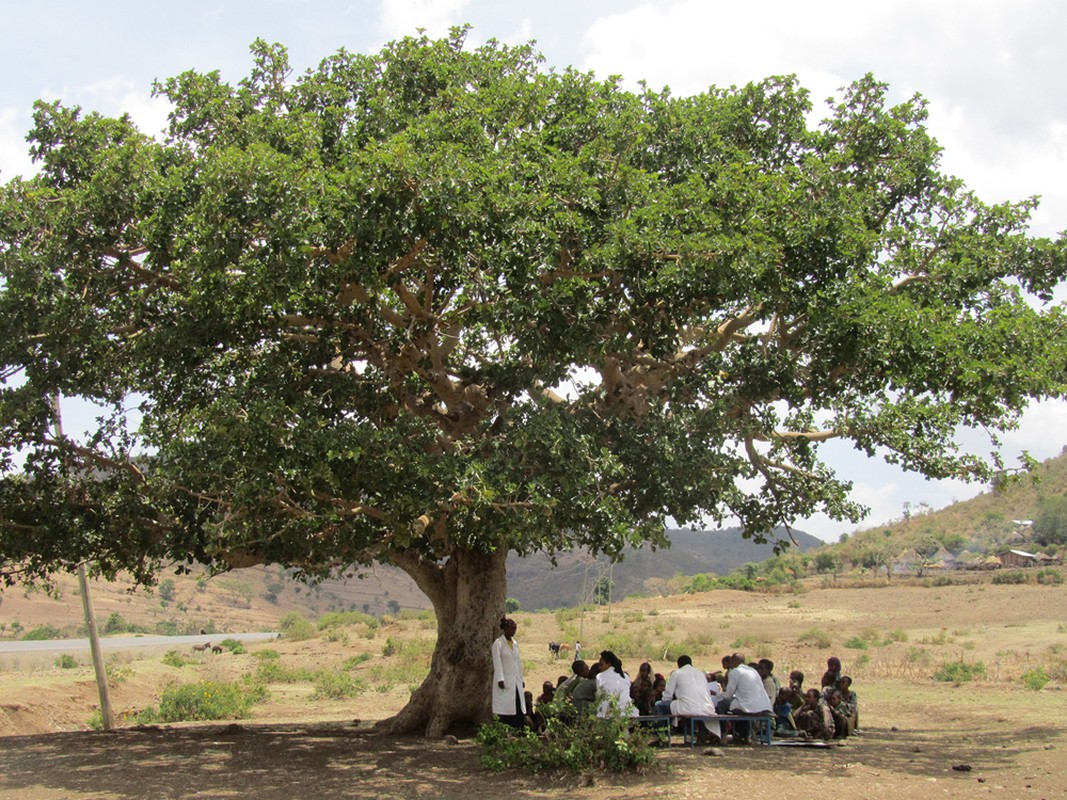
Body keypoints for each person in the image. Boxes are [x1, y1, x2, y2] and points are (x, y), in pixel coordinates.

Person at [655, 655, 720, 743]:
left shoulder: (677, 673)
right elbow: (707, 693)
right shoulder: (700, 674)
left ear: (679, 665)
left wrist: (668, 702)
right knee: (688, 708)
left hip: (686, 706)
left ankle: (662, 736)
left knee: (659, 705)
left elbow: (668, 695)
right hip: (706, 707)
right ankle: (698, 735)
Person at [715, 652, 772, 743]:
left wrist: (717, 695)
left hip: (747, 705)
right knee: (739, 707)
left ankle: (723, 735)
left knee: (722, 705)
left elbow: (729, 694)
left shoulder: (735, 672)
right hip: (762, 706)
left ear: (733, 661)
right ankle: (746, 736)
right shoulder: (753, 671)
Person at [491, 616, 526, 728]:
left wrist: (521, 678)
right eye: (512, 628)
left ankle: (518, 728)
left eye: (515, 628)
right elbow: (497, 662)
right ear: (505, 629)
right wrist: (500, 679)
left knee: (517, 703)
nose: (514, 631)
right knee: (504, 705)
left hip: (515, 679)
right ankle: (504, 728)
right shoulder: (498, 643)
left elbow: (518, 662)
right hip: (505, 678)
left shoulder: (515, 643)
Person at [595, 650, 637, 719]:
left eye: (601, 664)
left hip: (607, 715)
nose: (599, 667)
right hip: (628, 713)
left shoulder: (600, 676)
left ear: (609, 664)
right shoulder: (625, 676)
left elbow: (599, 696)